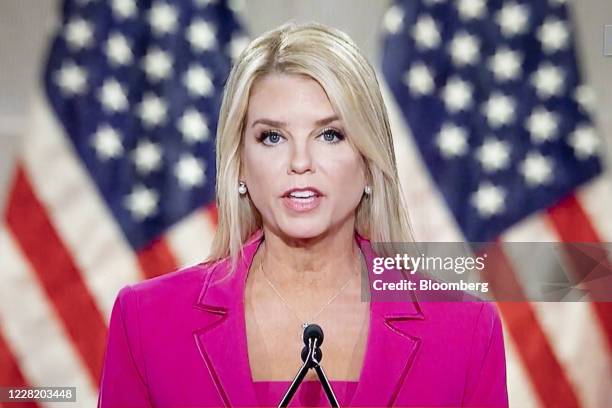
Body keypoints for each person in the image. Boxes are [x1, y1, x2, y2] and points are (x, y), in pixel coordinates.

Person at [97, 21, 508, 407]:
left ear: (368, 161)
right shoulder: (147, 323)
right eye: (272, 136)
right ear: (239, 164)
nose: (300, 162)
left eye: (329, 134)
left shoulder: (465, 331)